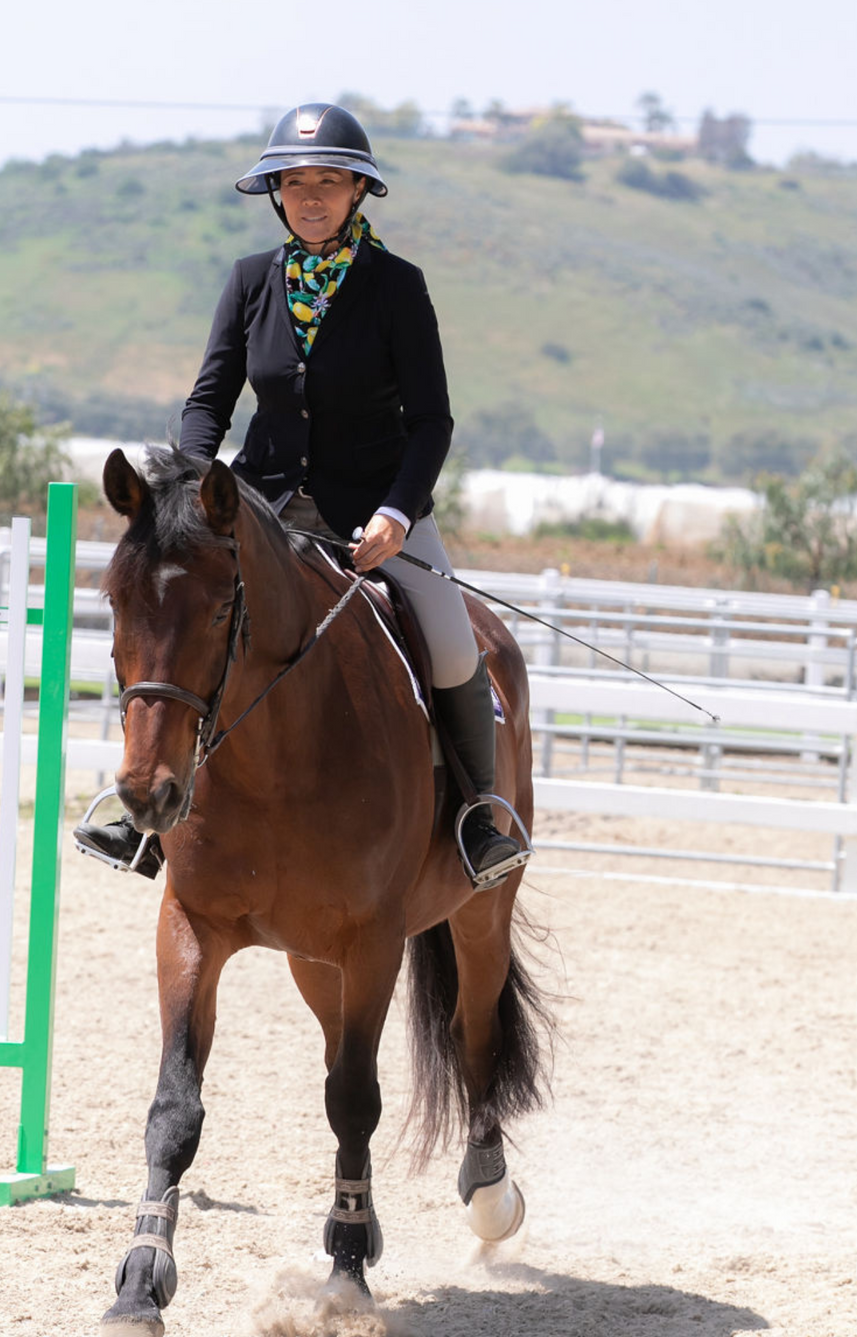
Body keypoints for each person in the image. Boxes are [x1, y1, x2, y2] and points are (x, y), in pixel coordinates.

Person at [76, 103, 526, 888]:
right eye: (295, 182)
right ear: (275, 192)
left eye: (328, 181)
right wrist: (187, 493)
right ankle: (143, 817)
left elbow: (431, 421)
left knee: (455, 645)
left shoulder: (397, 288)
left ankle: (478, 816)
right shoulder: (251, 281)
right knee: (178, 626)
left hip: (378, 512)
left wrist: (395, 512)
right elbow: (209, 399)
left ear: (359, 189)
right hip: (260, 506)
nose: (311, 196)